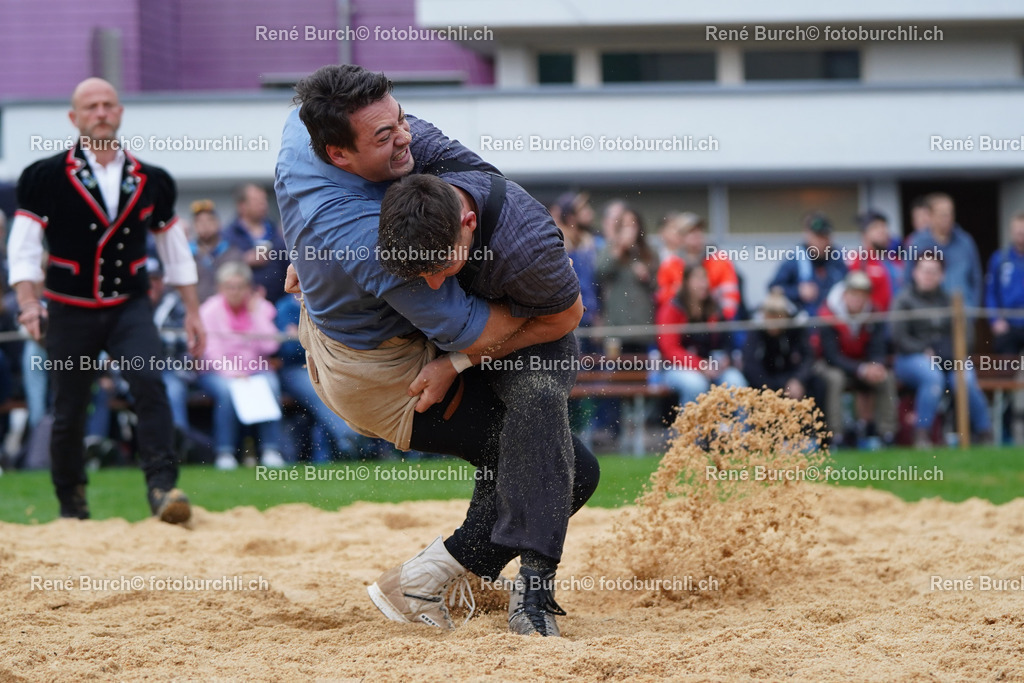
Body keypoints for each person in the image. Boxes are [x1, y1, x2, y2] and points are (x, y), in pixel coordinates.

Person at [276, 64, 599, 637]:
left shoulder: (301, 136)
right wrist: (456, 357)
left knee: (525, 449)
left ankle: (450, 575)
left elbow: (432, 161)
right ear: (339, 153)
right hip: (384, 375)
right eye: (381, 138)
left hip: (343, 335)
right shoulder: (367, 239)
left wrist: (312, 253)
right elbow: (475, 330)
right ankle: (425, 579)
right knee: (563, 468)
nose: (400, 137)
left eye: (397, 121)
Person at [8, 77, 204, 522]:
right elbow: (22, 247)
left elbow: (175, 252)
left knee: (150, 386)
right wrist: (28, 303)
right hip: (68, 308)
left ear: (119, 113)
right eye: (90, 106)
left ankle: (162, 487)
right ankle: (72, 501)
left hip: (128, 307)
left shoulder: (152, 180)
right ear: (74, 118)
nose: (100, 112)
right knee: (70, 407)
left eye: (108, 104)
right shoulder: (44, 176)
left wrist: (192, 312)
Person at [892, 253, 992, 448]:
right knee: (932, 377)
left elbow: (967, 336)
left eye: (934, 271)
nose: (928, 275)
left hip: (949, 358)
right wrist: (923, 350)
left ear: (942, 275)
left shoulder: (951, 300)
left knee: (966, 380)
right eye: (925, 270)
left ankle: (985, 433)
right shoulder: (903, 300)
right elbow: (898, 338)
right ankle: (922, 434)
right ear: (915, 272)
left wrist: (951, 353)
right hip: (911, 358)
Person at [197, 262, 284, 470]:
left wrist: (255, 314)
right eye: (230, 286)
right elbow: (211, 350)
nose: (235, 292)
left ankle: (271, 450)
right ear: (220, 288)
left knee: (271, 385)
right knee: (228, 392)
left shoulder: (261, 308)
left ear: (248, 288)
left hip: (256, 370)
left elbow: (271, 346)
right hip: (217, 371)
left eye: (240, 286)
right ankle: (224, 452)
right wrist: (232, 372)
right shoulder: (208, 311)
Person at [275, 291, 368, 461]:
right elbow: (288, 351)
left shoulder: (326, 302)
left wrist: (303, 336)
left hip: (329, 366)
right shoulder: (285, 307)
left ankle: (350, 440)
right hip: (296, 370)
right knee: (321, 391)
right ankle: (348, 435)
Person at [814, 271, 897, 448]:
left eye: (862, 295)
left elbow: (879, 348)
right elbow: (831, 357)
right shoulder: (827, 314)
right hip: (829, 365)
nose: (858, 299)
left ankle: (886, 433)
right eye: (853, 294)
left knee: (886, 377)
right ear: (845, 294)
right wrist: (861, 369)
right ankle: (836, 435)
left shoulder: (874, 313)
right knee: (835, 379)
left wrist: (876, 365)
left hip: (861, 364)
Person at [655, 263, 747, 408]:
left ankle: (739, 430)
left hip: (713, 366)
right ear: (686, 282)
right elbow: (670, 350)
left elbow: (727, 341)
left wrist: (726, 359)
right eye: (697, 279)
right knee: (696, 385)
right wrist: (700, 365)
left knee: (737, 383)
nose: (703, 284)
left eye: (705, 278)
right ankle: (691, 429)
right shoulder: (672, 308)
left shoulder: (715, 308)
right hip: (678, 367)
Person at [654, 212, 741, 319]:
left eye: (699, 230)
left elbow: (730, 296)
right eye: (690, 232)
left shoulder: (719, 260)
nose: (696, 235)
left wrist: (722, 321)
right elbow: (662, 297)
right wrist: (682, 291)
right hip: (682, 320)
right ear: (680, 237)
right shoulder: (671, 264)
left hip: (714, 318)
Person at [742, 292, 823, 405]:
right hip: (766, 380)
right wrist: (770, 389)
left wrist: (798, 380)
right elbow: (750, 364)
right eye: (769, 317)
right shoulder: (756, 332)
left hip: (792, 377)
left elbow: (808, 357)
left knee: (818, 383)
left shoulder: (796, 329)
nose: (773, 323)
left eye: (777, 317)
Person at [596, 205, 658, 352]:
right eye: (624, 225)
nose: (629, 229)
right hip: (617, 323)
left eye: (632, 224)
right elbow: (600, 273)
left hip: (641, 324)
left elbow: (657, 285)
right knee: (617, 370)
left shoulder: (648, 252)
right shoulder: (609, 249)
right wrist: (619, 250)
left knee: (640, 369)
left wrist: (647, 276)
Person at [906, 193, 983, 307]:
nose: (947, 219)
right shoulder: (917, 243)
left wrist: (973, 308)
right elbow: (908, 280)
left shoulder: (965, 242)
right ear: (930, 216)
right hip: (929, 316)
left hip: (963, 312)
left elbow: (976, 279)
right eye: (942, 215)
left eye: (950, 214)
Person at [224, 184, 289, 303]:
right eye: (256, 200)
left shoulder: (276, 232)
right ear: (242, 206)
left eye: (264, 199)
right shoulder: (228, 235)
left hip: (279, 305)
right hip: (241, 306)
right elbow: (218, 267)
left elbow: (289, 265)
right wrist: (243, 259)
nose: (263, 204)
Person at [189, 199, 245, 303]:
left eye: (209, 220)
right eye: (199, 221)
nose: (205, 225)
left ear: (218, 223)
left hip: (226, 311)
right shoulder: (187, 255)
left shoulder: (232, 253)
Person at [847, 210, 901, 313]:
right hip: (874, 323)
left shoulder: (897, 261)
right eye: (875, 227)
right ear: (864, 234)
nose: (882, 231)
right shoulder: (858, 260)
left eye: (884, 227)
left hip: (898, 320)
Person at [985, 211, 1024, 354]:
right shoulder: (999, 259)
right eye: (1018, 232)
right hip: (1008, 324)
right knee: (1005, 368)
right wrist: (995, 320)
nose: (1021, 236)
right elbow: (991, 292)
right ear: (1011, 232)